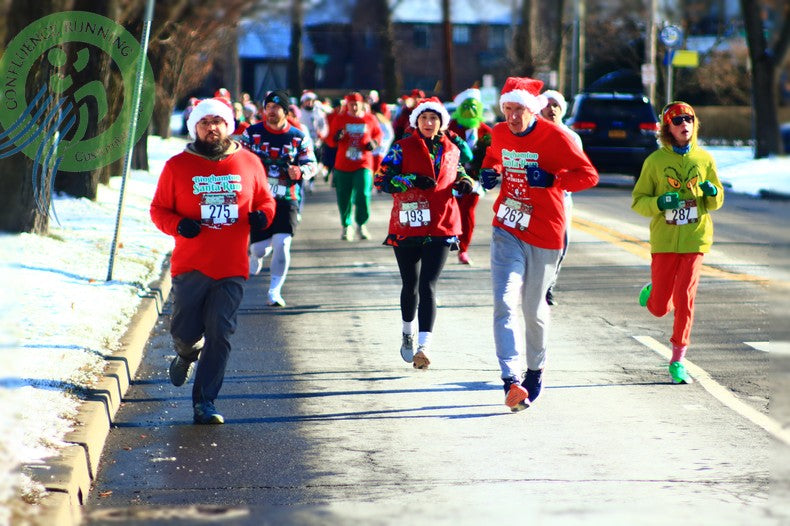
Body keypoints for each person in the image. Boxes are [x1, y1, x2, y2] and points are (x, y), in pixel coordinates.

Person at [150, 97, 276, 425]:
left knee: (221, 331)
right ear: (195, 128)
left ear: (227, 125)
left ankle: (204, 402)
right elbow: (158, 210)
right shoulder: (177, 166)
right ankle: (186, 352)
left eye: (217, 121)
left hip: (231, 266)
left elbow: (265, 199)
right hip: (191, 265)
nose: (212, 128)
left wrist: (263, 215)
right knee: (185, 332)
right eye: (205, 122)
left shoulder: (248, 162)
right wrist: (179, 225)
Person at [480, 76, 599, 411]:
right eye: (508, 109)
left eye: (519, 109)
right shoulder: (500, 133)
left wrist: (554, 180)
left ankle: (535, 370)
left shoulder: (557, 136)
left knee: (533, 310)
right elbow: (493, 158)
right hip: (507, 227)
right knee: (504, 302)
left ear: (532, 109)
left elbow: (588, 175)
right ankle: (510, 379)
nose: (513, 116)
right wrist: (490, 172)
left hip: (546, 231)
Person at [374, 97, 475, 369]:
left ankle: (424, 346)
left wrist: (465, 182)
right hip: (408, 223)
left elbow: (461, 172)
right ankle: (407, 333)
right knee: (411, 285)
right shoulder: (402, 147)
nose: (429, 123)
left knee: (428, 286)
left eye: (434, 118)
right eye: (423, 118)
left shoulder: (452, 149)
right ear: (416, 122)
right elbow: (381, 179)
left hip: (441, 224)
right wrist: (410, 180)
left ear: (442, 122)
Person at [631, 101, 724, 385]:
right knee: (660, 306)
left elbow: (717, 198)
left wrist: (712, 193)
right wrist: (660, 201)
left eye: (689, 119)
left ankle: (677, 360)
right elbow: (639, 201)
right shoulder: (655, 162)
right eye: (678, 121)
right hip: (665, 240)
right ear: (668, 129)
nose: (685, 124)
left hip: (695, 238)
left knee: (685, 297)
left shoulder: (705, 159)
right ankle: (655, 291)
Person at [242, 90, 317, 307]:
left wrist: (301, 171)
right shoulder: (252, 133)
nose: (271, 112)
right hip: (259, 198)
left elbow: (311, 162)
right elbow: (240, 159)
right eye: (268, 108)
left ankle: (274, 291)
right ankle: (254, 254)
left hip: (287, 196)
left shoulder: (298, 136)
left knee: (282, 243)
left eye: (276, 108)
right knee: (259, 248)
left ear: (285, 111)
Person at [539, 89, 584, 305]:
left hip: (561, 199)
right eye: (547, 105)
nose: (552, 109)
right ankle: (534, 284)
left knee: (560, 245)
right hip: (535, 199)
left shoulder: (572, 137)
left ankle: (548, 286)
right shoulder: (534, 133)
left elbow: (580, 170)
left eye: (556, 105)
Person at [325, 92, 383, 241]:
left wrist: (374, 143)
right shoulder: (340, 118)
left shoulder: (370, 119)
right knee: (344, 197)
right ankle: (346, 226)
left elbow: (378, 134)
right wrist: (336, 137)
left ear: (362, 104)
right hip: (343, 164)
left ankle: (361, 224)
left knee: (363, 194)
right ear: (347, 105)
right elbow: (331, 140)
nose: (355, 107)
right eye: (351, 104)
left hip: (363, 163)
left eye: (357, 104)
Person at [448, 87, 493, 265]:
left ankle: (463, 249)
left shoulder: (486, 132)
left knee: (468, 211)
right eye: (467, 107)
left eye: (474, 107)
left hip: (474, 179)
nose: (471, 111)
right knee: (453, 210)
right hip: (452, 177)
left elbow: (493, 155)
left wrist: (488, 171)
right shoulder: (450, 128)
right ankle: (450, 239)